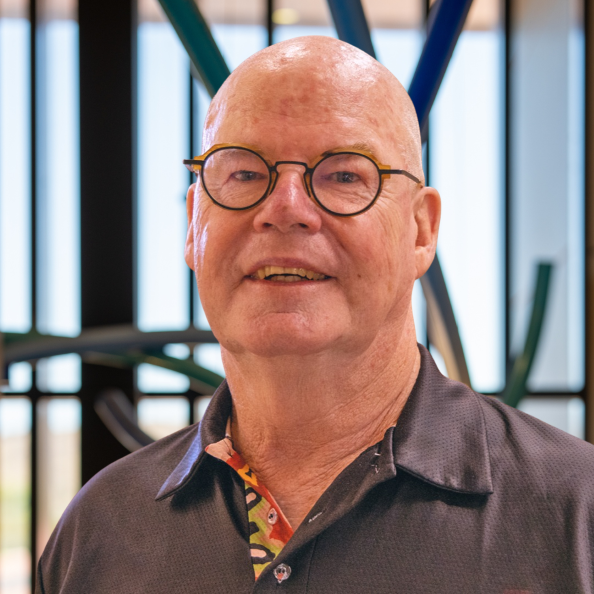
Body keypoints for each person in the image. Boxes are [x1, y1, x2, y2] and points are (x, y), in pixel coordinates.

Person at [38, 36, 594, 594]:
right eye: (244, 174)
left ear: (421, 231)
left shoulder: (576, 513)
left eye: (345, 175)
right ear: (193, 224)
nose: (284, 209)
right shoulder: (99, 532)